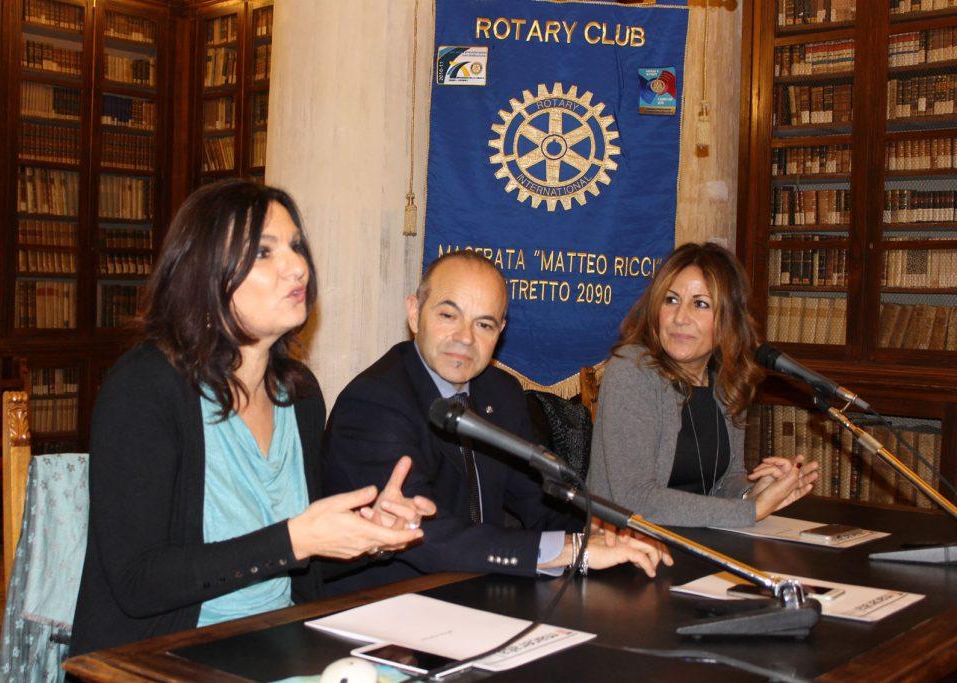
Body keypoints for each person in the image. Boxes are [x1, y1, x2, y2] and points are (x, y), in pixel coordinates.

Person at [70, 181, 435, 656]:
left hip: (276, 640)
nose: (298, 266)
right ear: (204, 272)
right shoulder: (146, 388)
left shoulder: (298, 394)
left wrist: (368, 533)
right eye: (264, 252)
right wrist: (295, 539)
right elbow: (138, 582)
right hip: (166, 654)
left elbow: (300, 564)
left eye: (296, 246)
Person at [322, 250, 671, 594]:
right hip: (382, 605)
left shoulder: (499, 392)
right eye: (448, 315)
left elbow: (539, 500)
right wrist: (571, 550)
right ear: (415, 314)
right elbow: (426, 536)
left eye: (484, 324)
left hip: (473, 587)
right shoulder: (374, 402)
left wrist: (601, 532)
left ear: (500, 331)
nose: (465, 338)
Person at [587, 242, 819, 528]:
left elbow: (722, 482)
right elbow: (635, 499)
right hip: (625, 550)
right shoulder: (632, 370)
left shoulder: (727, 380)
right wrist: (751, 510)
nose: (680, 318)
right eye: (670, 300)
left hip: (699, 543)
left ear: (728, 319)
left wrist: (755, 490)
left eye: (700, 304)